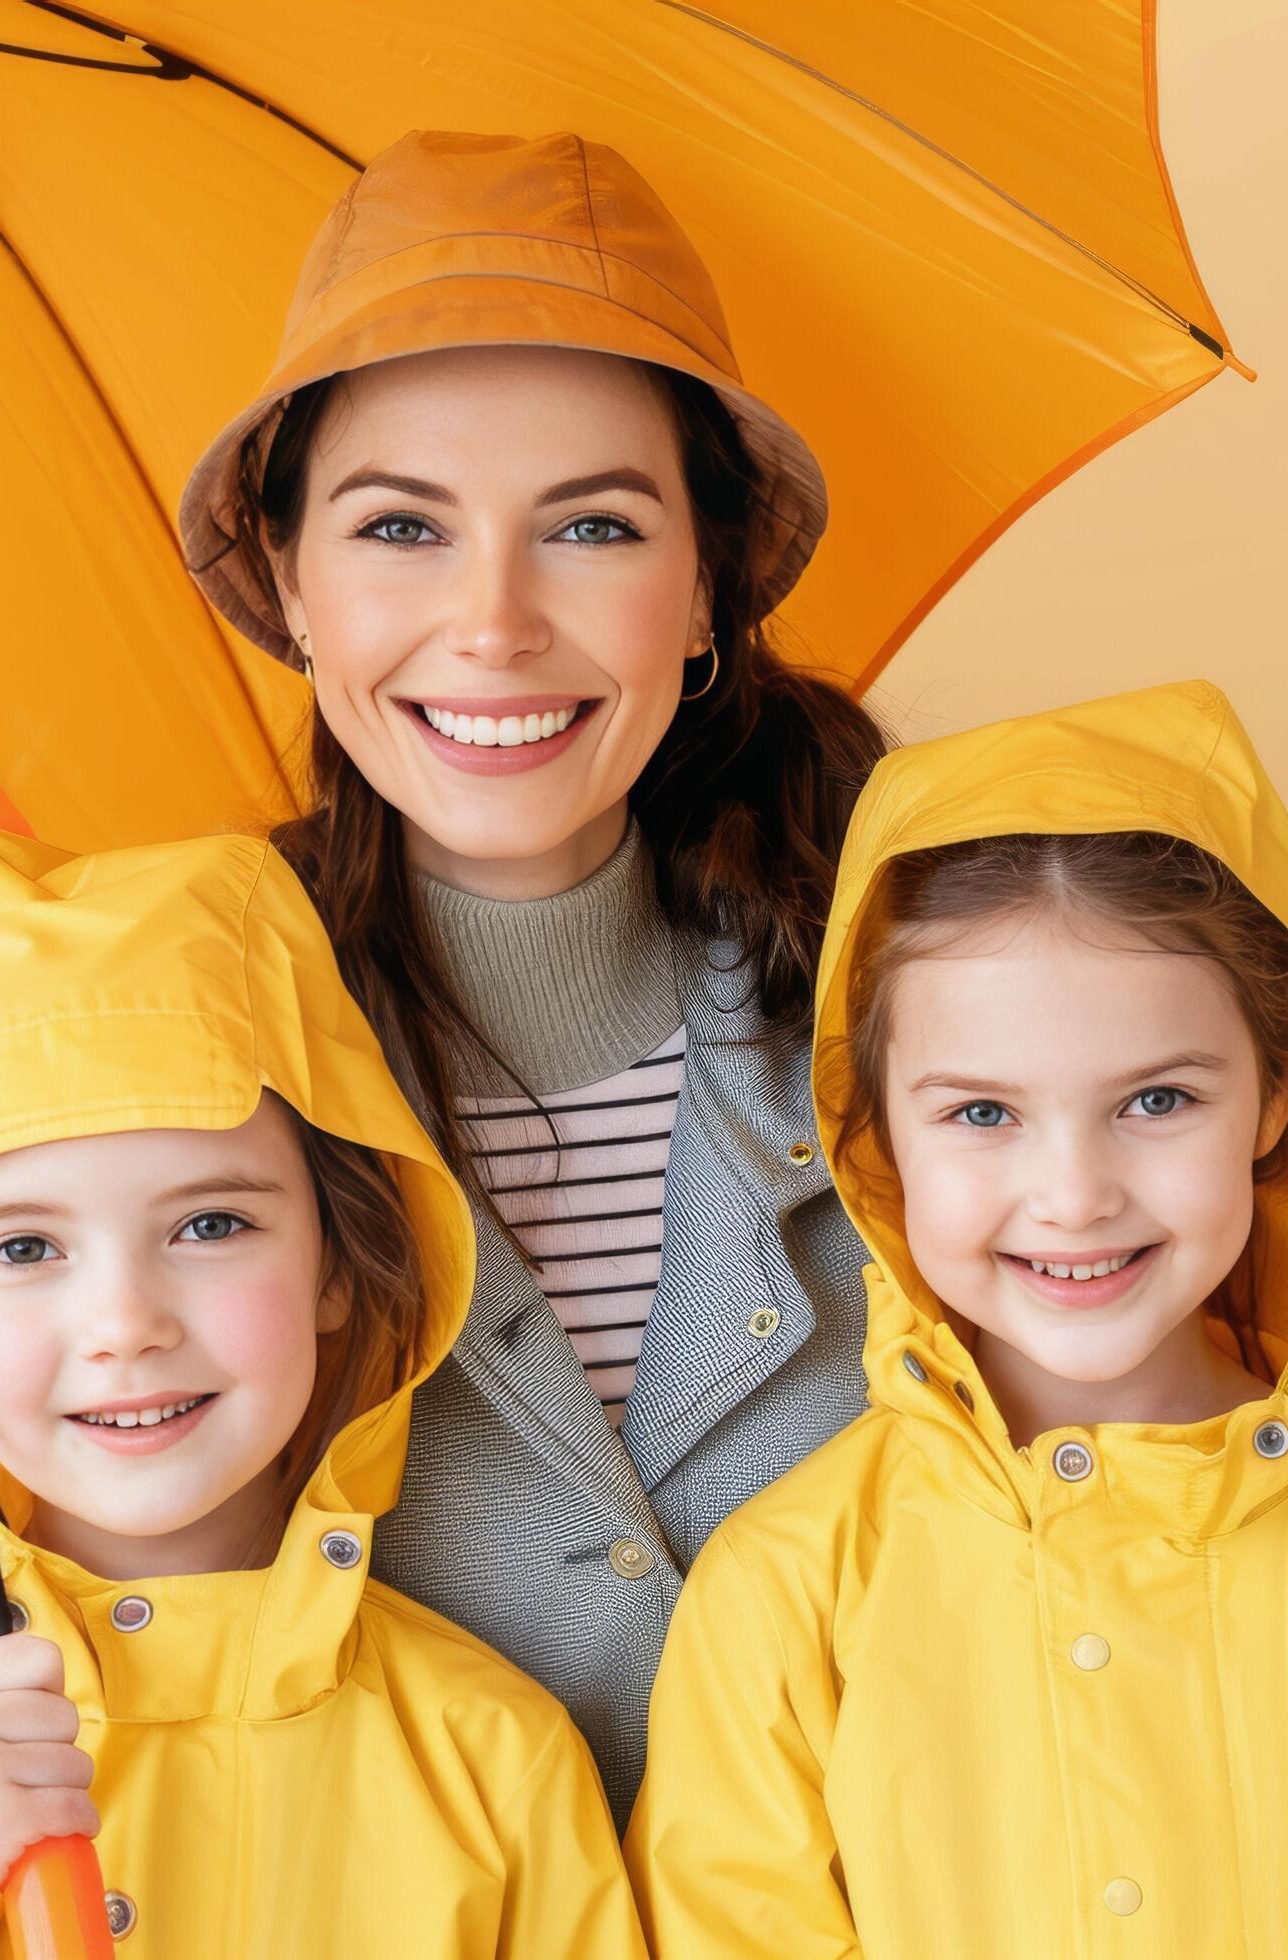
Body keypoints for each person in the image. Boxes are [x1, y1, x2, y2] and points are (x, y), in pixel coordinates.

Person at [627, 682, 1288, 1956]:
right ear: (875, 1135)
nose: (1074, 1195)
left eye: (1157, 1101)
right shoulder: (785, 1587)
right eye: (982, 1113)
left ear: (1277, 1101)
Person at [176, 128, 886, 1822]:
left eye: (589, 526)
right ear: (291, 580)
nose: (493, 624)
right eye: (402, 528)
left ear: (704, 584)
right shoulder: (186, 1074)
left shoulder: (916, 1030)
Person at [0, 831, 641, 1956]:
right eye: (21, 1248)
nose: (123, 1325)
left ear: (339, 1266)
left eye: (211, 1224)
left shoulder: (494, 1764)